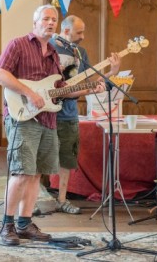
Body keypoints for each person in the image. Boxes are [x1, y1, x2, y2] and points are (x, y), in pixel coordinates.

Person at [0, 5, 105, 246]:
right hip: (23, 117)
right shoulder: (18, 44)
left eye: (54, 19)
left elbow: (61, 91)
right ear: (35, 22)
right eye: (46, 18)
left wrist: (90, 88)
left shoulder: (54, 54)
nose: (51, 22)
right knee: (21, 172)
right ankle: (7, 225)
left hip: (48, 120)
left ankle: (24, 223)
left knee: (36, 175)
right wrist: (29, 93)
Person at [50, 15, 121, 214]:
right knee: (39, 158)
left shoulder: (81, 53)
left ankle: (62, 200)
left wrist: (113, 71)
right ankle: (31, 203)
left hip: (68, 114)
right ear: (65, 31)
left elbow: (92, 82)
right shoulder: (48, 47)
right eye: (79, 32)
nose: (83, 36)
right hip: (44, 112)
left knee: (67, 159)